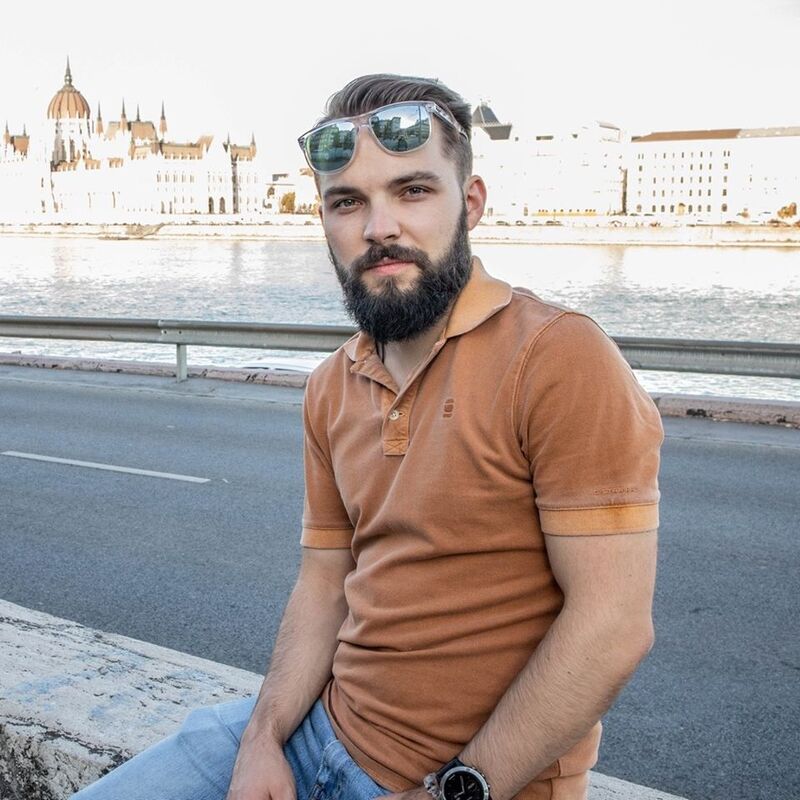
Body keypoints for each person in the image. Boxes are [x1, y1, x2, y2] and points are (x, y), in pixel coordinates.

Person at [72, 74, 663, 800]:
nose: (379, 227)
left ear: (471, 202)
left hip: (471, 780)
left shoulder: (556, 356)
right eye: (347, 201)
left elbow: (612, 625)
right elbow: (324, 584)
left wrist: (455, 791)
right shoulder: (332, 383)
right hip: (314, 732)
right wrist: (262, 738)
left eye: (412, 191)